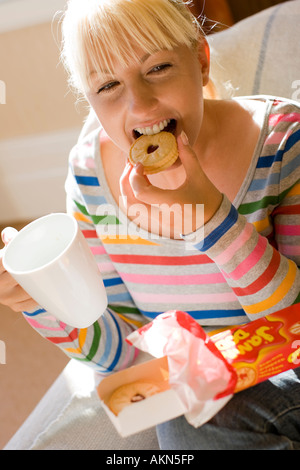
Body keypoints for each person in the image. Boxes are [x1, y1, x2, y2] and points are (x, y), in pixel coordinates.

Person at [1, 0, 300, 450]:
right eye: (108, 85)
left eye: (157, 67)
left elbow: (294, 326)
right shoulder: (89, 179)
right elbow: (123, 357)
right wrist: (38, 302)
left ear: (200, 60)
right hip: (201, 384)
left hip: (285, 373)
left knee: (190, 424)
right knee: (183, 420)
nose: (139, 104)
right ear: (90, 100)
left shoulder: (284, 143)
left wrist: (213, 221)